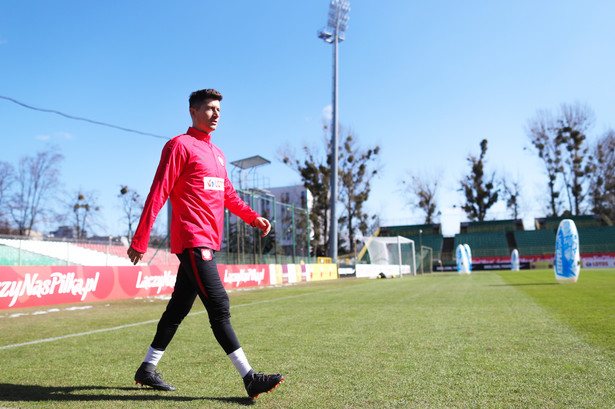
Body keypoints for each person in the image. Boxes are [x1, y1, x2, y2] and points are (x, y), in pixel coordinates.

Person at [127, 88, 284, 399]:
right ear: (193, 112)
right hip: (192, 240)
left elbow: (229, 197)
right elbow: (158, 191)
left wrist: (254, 218)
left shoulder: (218, 154)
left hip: (208, 242)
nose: (216, 115)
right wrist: (141, 238)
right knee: (219, 306)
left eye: (219, 110)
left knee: (177, 310)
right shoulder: (178, 145)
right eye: (210, 108)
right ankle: (250, 377)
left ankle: (147, 368)